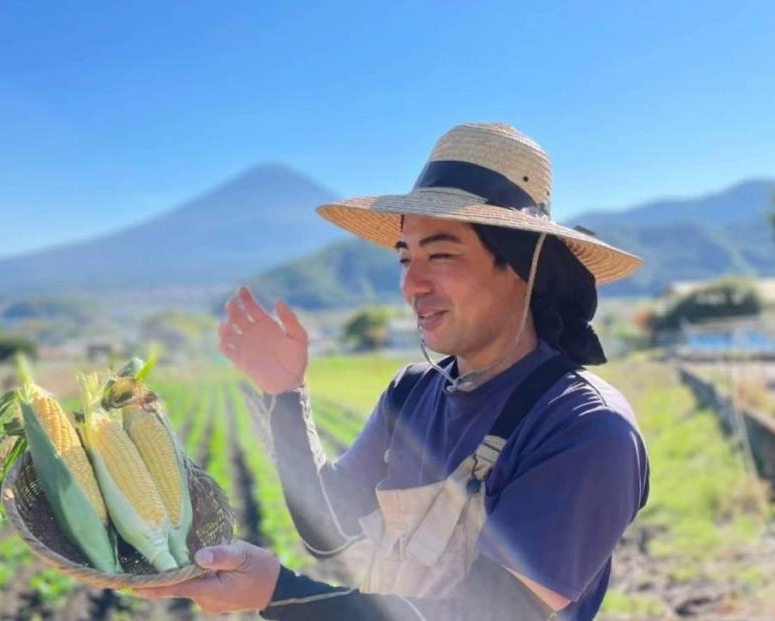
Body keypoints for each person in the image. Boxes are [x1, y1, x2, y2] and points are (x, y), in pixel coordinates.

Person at [133, 123, 650, 620]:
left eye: (442, 254)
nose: (412, 285)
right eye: (406, 259)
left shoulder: (585, 429)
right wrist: (285, 393)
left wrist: (280, 593)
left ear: (522, 268)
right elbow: (328, 527)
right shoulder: (413, 392)